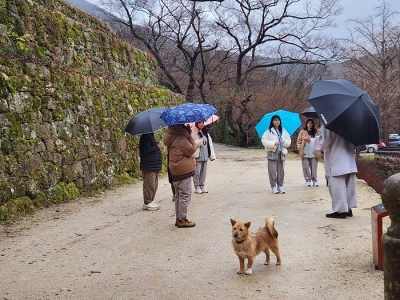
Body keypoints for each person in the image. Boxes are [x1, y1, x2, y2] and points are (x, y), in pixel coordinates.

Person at [303, 124, 357, 218]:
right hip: (349, 157)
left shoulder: (330, 123)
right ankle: (348, 208)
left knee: (337, 185)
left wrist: (310, 140)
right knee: (348, 184)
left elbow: (323, 141)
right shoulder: (351, 123)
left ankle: (341, 211)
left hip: (337, 158)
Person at [163, 124, 202, 228]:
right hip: (183, 169)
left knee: (178, 195)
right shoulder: (181, 137)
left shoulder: (171, 135)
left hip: (175, 169)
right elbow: (191, 149)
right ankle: (182, 219)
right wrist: (189, 135)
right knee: (185, 195)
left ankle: (179, 217)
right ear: (181, 126)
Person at [261, 115, 291, 194]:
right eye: (275, 120)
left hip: (281, 153)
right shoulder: (269, 131)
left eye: (278, 120)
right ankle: (273, 186)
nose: (277, 121)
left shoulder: (283, 131)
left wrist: (283, 141)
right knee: (272, 171)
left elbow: (289, 141)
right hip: (272, 153)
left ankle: (280, 186)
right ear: (272, 122)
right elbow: (264, 141)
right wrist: (274, 143)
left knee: (281, 170)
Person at [191, 122, 216, 194]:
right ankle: (197, 186)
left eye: (203, 122)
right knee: (197, 172)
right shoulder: (193, 131)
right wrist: (200, 141)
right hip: (197, 155)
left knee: (203, 172)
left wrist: (211, 155)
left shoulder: (205, 132)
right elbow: (191, 142)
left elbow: (209, 144)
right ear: (196, 123)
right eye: (200, 122)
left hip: (205, 154)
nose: (202, 124)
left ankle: (202, 185)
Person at [139, 133, 162, 211]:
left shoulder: (150, 136)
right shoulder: (145, 136)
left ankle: (150, 201)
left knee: (154, 184)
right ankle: (147, 202)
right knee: (149, 184)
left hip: (154, 165)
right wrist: (157, 146)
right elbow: (146, 149)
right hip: (148, 165)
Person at [296, 119, 320, 187]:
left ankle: (314, 180)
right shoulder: (302, 131)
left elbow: (320, 140)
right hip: (305, 152)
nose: (310, 124)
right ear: (306, 124)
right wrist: (300, 148)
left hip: (314, 153)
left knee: (314, 167)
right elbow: (299, 141)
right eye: (309, 123)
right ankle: (307, 180)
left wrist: (319, 132)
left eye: (311, 123)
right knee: (305, 167)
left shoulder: (316, 132)